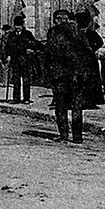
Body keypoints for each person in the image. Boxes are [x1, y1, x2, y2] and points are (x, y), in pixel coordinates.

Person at [43, 9, 92, 143]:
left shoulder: (53, 32)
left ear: (57, 20)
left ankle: (63, 135)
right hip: (77, 75)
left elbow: (49, 54)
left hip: (60, 76)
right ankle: (77, 137)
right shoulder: (78, 31)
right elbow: (88, 51)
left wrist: (49, 74)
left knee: (61, 106)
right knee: (77, 106)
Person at [0, 16, 39, 103]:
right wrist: (8, 55)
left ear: (23, 25)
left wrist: (30, 49)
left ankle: (26, 98)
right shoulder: (12, 35)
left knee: (26, 79)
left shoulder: (27, 34)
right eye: (16, 25)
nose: (18, 27)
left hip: (25, 60)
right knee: (16, 79)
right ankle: (16, 98)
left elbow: (33, 43)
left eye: (19, 25)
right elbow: (8, 47)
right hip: (15, 60)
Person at [74, 11, 105, 108]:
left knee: (83, 80)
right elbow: (100, 42)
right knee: (90, 79)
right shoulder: (90, 33)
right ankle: (90, 101)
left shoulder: (76, 33)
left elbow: (100, 42)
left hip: (81, 59)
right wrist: (93, 49)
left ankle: (84, 101)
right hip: (89, 59)